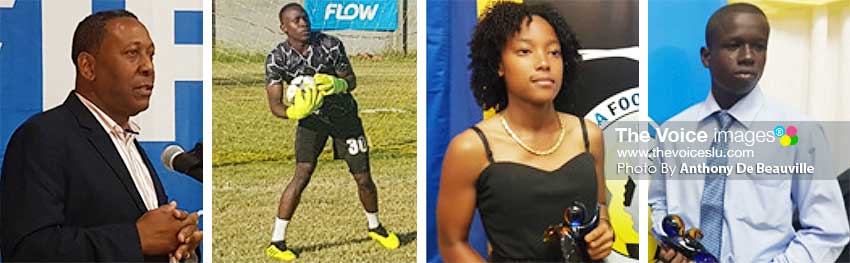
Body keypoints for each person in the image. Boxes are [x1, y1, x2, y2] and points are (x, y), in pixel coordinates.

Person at [649, 3, 850, 262]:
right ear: (706, 57)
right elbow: (659, 203)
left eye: (759, 46)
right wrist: (671, 243)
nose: (748, 56)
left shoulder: (798, 132)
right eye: (734, 45)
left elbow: (828, 230)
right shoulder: (673, 132)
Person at [0, 10, 201, 261]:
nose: (148, 67)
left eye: (151, 55)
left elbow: (150, 240)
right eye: (132, 53)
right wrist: (136, 239)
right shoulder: (43, 137)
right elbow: (27, 250)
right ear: (88, 66)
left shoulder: (127, 144)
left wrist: (181, 243)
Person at [436, 2, 614, 262]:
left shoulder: (589, 136)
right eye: (525, 51)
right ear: (499, 64)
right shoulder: (471, 148)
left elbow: (600, 207)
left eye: (554, 52)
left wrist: (604, 230)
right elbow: (452, 243)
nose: (544, 62)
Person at [262, 3, 399, 261]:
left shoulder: (330, 44)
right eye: (296, 21)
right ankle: (277, 241)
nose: (303, 23)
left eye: (304, 18)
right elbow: (276, 105)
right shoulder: (276, 58)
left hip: (344, 118)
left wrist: (338, 84)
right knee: (301, 175)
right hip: (311, 122)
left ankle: (375, 227)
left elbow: (351, 80)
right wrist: (293, 113)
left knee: (363, 177)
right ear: (284, 28)